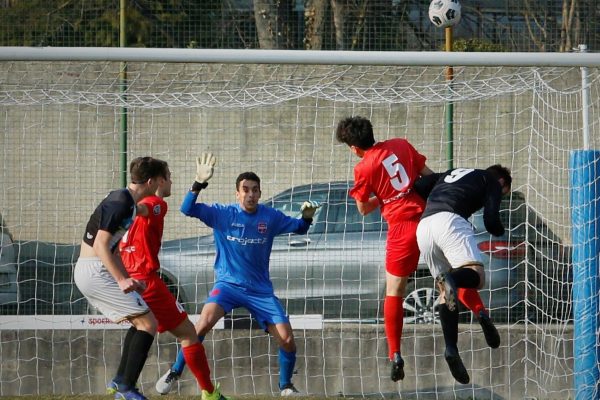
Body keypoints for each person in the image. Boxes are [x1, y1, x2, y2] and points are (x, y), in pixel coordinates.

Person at [155, 153, 320, 397]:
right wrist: (198, 183)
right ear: (237, 193)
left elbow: (299, 228)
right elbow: (186, 208)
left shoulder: (270, 217)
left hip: (260, 290)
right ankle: (175, 371)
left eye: (255, 190)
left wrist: (307, 218)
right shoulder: (223, 214)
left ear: (260, 194)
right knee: (202, 323)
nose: (250, 194)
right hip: (228, 285)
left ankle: (285, 386)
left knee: (286, 339)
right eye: (245, 189)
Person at [114, 161, 229, 400]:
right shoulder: (156, 203)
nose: (171, 181)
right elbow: (144, 208)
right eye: (169, 176)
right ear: (157, 181)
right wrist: (130, 201)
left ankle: (119, 382)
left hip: (128, 279)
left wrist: (120, 201)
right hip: (146, 281)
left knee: (140, 327)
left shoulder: (124, 211)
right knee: (188, 334)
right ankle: (209, 393)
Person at [335, 116, 434, 382]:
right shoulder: (401, 144)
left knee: (394, 291)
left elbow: (363, 209)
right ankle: (478, 313)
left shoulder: (363, 168)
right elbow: (430, 177)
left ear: (354, 148)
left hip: (401, 227)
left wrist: (385, 194)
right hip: (429, 217)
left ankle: (395, 353)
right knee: (446, 275)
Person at [74, 156, 169, 400]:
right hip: (94, 271)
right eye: (161, 179)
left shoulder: (124, 199)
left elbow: (113, 249)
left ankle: (120, 381)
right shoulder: (121, 203)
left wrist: (127, 277)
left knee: (141, 321)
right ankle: (126, 389)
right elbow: (101, 245)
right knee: (149, 324)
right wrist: (120, 280)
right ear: (150, 181)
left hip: (95, 269)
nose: (162, 183)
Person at [414, 164, 512, 384]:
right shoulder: (491, 181)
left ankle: (450, 347)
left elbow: (420, 185)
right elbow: (491, 221)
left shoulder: (453, 173)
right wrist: (499, 230)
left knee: (445, 291)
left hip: (424, 226)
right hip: (450, 223)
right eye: (503, 194)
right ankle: (456, 281)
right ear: (502, 183)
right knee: (476, 276)